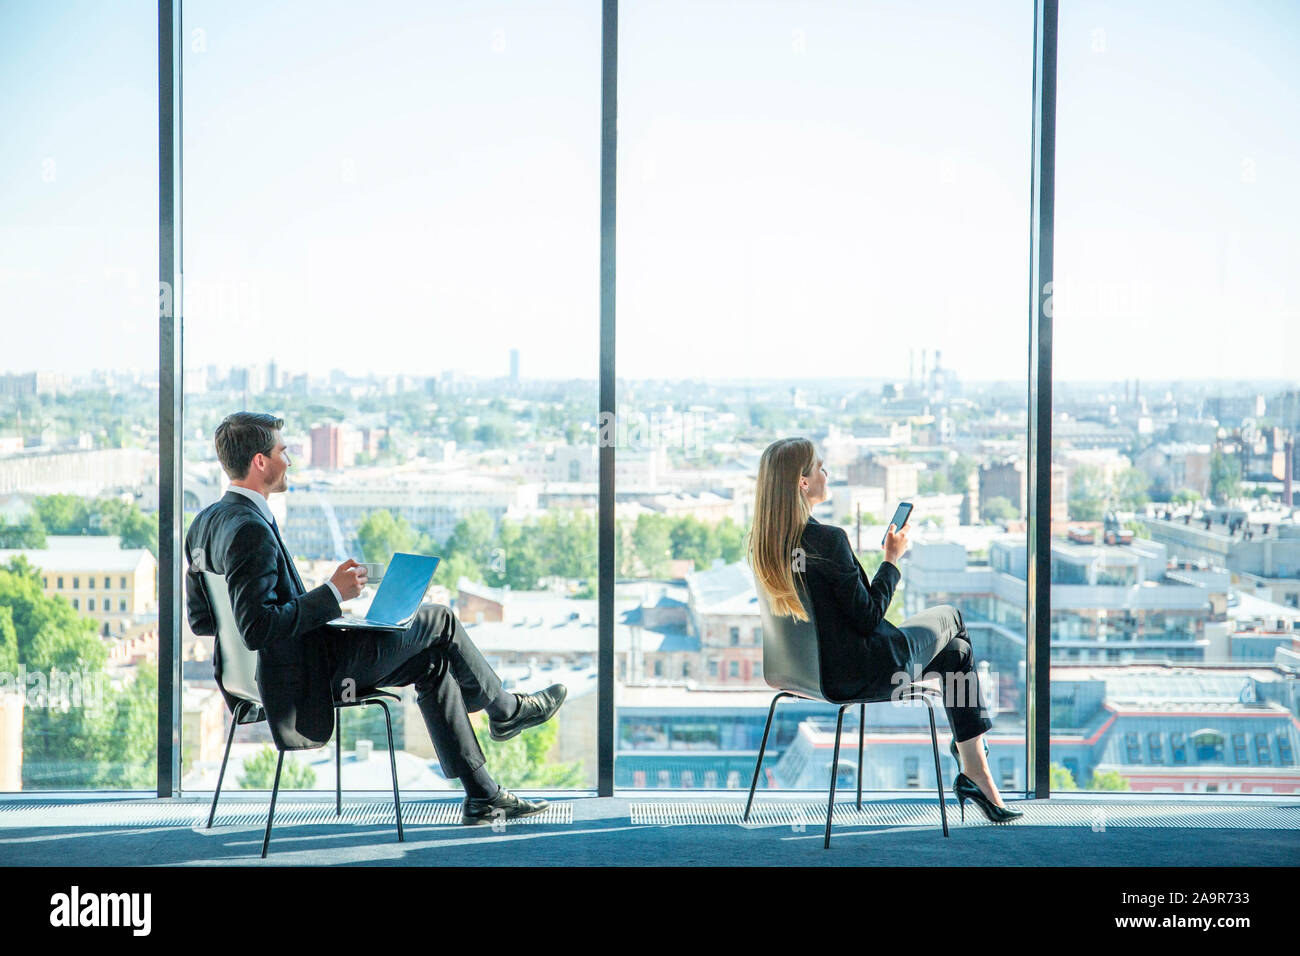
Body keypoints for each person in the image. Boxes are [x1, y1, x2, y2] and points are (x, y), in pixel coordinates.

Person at [185, 411, 566, 825]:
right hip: (305, 674)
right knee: (439, 619)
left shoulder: (205, 524)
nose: (289, 460)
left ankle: (484, 796)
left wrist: (319, 604)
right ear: (261, 462)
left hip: (270, 672)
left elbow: (204, 622)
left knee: (433, 663)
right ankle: (507, 710)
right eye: (283, 451)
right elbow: (257, 627)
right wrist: (332, 594)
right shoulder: (249, 529)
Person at [747, 437, 1021, 823]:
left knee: (956, 655)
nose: (827, 473)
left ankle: (976, 770)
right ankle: (972, 761)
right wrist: (892, 559)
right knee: (954, 620)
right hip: (865, 671)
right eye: (820, 467)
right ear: (802, 483)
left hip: (807, 673)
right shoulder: (828, 541)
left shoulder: (764, 545)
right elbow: (869, 616)